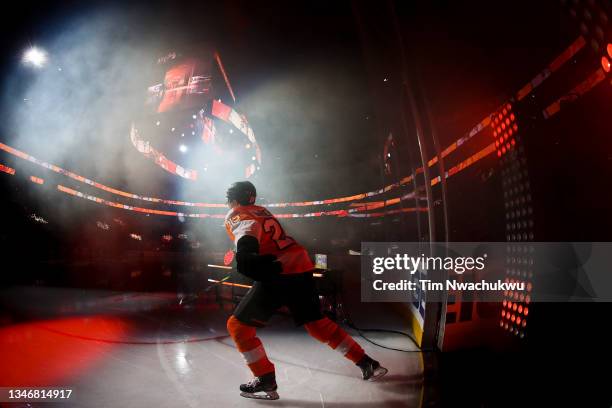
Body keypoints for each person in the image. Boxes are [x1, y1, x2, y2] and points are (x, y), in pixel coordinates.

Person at [223, 181, 387, 400]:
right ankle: (368, 364)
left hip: (279, 273)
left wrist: (245, 256)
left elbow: (246, 234)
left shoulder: (236, 213)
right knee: (318, 325)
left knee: (238, 327)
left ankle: (265, 380)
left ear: (233, 200)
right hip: (300, 268)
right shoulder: (262, 211)